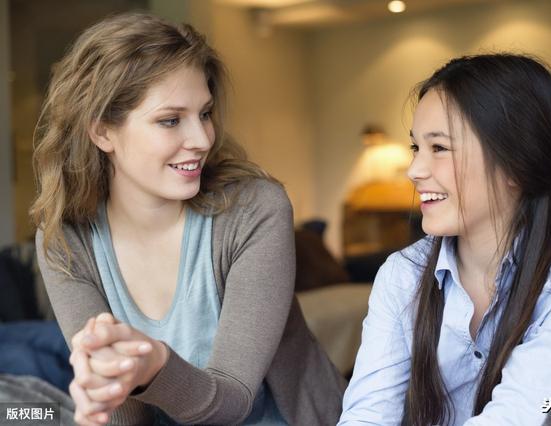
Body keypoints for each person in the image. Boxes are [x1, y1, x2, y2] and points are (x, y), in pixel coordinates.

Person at [31, 12, 345, 426]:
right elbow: (127, 417)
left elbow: (233, 401)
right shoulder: (64, 240)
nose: (201, 139)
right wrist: (109, 388)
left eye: (205, 114)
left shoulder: (255, 210)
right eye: (170, 120)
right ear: (102, 132)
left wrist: (153, 366)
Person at [338, 54, 551, 425]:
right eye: (416, 148)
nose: (414, 170)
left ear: (516, 163)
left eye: (439, 148)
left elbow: (521, 417)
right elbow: (366, 416)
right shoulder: (402, 275)